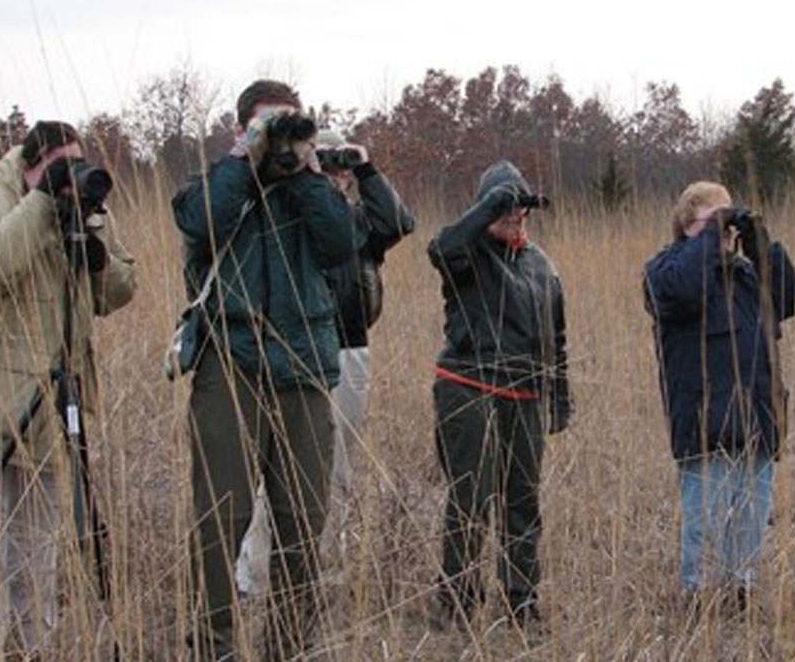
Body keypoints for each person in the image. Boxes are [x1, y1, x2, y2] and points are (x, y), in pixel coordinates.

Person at [0, 121, 136, 656]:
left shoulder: (82, 214)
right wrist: (40, 205)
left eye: (77, 167)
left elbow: (121, 290)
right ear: (29, 166)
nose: (69, 181)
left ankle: (35, 644)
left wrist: (96, 252)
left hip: (44, 411)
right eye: (59, 169)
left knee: (34, 546)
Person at [171, 79, 357, 660]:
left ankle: (289, 647)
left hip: (303, 366)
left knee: (303, 521)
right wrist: (246, 158)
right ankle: (214, 647)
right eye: (267, 126)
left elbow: (341, 243)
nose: (280, 138)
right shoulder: (218, 184)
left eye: (291, 125)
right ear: (241, 129)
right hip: (231, 362)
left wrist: (303, 169)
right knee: (220, 520)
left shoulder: (313, 188)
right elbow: (200, 222)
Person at [234, 129, 416, 594]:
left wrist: (367, 168)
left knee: (335, 469)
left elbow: (398, 222)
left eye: (342, 170)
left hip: (350, 351)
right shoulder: (290, 218)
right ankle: (254, 575)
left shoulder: (357, 224)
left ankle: (322, 571)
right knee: (276, 470)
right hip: (297, 352)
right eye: (327, 164)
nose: (337, 176)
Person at [643, 181, 795, 612]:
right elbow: (683, 292)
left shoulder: (748, 276)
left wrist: (757, 238)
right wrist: (712, 236)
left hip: (757, 418)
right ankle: (697, 599)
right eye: (715, 220)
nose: (726, 230)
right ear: (687, 224)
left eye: (729, 219)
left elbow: (790, 297)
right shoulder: (664, 270)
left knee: (749, 521)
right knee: (705, 522)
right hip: (704, 422)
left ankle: (739, 594)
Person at [426, 160, 572, 630]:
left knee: (522, 501)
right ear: (485, 208)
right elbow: (441, 246)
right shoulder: (467, 255)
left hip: (525, 395)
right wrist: (489, 206)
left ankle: (521, 601)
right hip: (469, 388)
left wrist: (559, 394)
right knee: (472, 498)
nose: (515, 216)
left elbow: (557, 336)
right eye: (505, 208)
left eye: (520, 208)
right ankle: (458, 603)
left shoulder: (541, 264)